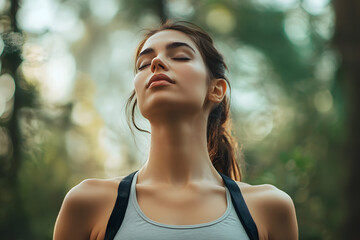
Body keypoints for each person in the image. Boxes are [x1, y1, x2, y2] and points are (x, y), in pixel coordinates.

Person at [53, 20, 298, 240]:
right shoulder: (88, 203)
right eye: (144, 64)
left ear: (216, 89)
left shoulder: (268, 209)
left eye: (180, 56)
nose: (156, 63)